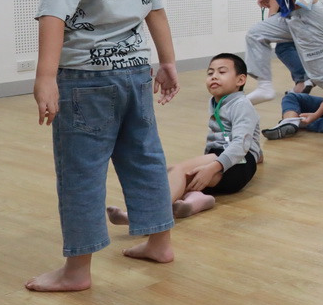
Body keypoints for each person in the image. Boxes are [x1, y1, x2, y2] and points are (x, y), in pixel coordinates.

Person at [30, 0, 177, 292]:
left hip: (84, 79)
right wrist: (168, 61)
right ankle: (160, 243)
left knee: (81, 171)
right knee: (145, 158)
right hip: (135, 72)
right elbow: (154, 7)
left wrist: (45, 77)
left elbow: (54, 15)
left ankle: (76, 271)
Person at [108, 54, 262, 223]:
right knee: (172, 173)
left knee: (179, 171)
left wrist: (212, 167)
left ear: (240, 80)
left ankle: (145, 215)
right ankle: (196, 201)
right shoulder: (217, 102)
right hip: (227, 162)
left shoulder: (241, 104)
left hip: (236, 163)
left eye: (222, 72)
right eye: (210, 73)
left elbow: (241, 145)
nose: (214, 76)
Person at [262, 11, 323, 139]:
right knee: (291, 97)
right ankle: (290, 122)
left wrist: (316, 115)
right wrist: (321, 110)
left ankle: (301, 123)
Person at [247, 0, 308, 94]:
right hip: (311, 9)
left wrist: (271, 20)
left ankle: (303, 80)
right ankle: (302, 81)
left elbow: (274, 2)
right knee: (289, 45)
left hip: (303, 16)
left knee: (283, 48)